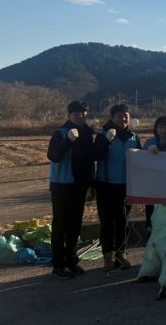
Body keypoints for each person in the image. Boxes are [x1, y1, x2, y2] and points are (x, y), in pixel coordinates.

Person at [46, 100, 99, 279]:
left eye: (84, 113)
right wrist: (68, 140)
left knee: (75, 225)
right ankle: (58, 265)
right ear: (69, 115)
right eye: (77, 114)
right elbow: (53, 156)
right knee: (60, 224)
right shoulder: (60, 133)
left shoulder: (87, 134)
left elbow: (90, 159)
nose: (81, 116)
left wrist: (91, 184)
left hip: (80, 186)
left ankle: (71, 260)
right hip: (62, 185)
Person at [96, 104, 141, 271]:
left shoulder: (134, 138)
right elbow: (96, 155)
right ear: (112, 118)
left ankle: (121, 254)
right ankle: (108, 257)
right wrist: (106, 140)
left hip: (126, 186)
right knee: (107, 222)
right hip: (105, 186)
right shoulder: (103, 136)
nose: (124, 119)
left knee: (123, 222)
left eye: (126, 116)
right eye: (120, 116)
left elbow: (140, 160)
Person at [142, 116, 166, 234]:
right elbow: (141, 159)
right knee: (151, 210)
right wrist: (149, 150)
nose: (163, 129)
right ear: (156, 129)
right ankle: (151, 233)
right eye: (160, 127)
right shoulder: (149, 142)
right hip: (152, 184)